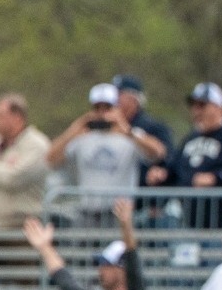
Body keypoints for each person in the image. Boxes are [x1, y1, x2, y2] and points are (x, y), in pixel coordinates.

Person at [47, 83, 164, 227]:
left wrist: (127, 130)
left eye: (108, 108)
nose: (102, 113)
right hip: (87, 212)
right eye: (97, 108)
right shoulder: (83, 136)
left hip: (117, 213)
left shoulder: (130, 135)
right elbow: (51, 159)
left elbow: (158, 152)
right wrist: (75, 128)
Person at [147, 82, 222, 229]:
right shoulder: (190, 139)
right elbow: (175, 169)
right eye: (194, 106)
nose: (197, 111)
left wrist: (215, 177)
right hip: (189, 223)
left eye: (202, 106)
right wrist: (161, 174)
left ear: (219, 108)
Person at [0, 94, 52, 232]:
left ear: (17, 117)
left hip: (25, 229)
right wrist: (3, 170)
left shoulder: (37, 145)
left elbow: (14, 179)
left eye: (0, 115)